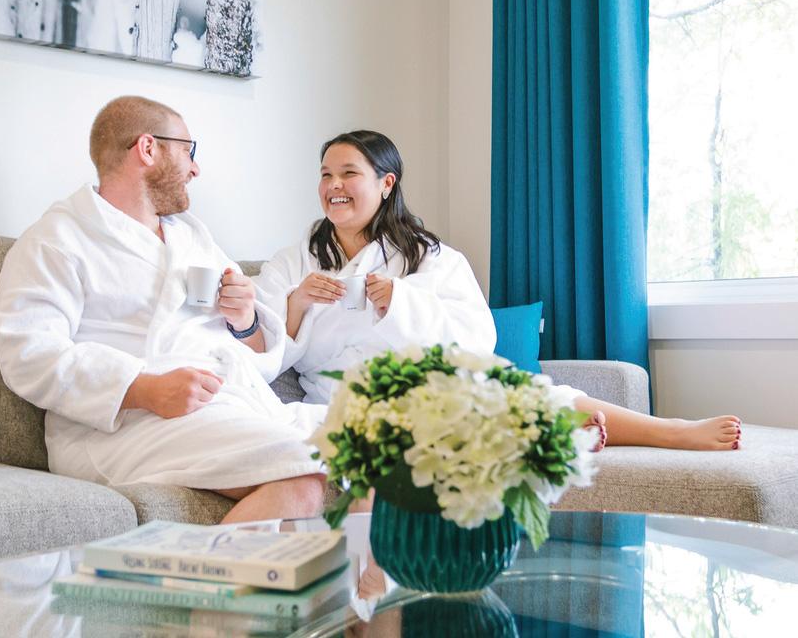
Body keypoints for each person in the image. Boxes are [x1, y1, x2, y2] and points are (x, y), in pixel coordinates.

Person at [254, 130, 742, 452]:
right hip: (343, 401)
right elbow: (257, 347)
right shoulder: (292, 263)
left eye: (348, 173)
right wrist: (297, 302)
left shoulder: (429, 255)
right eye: (326, 174)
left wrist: (400, 302)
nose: (333, 185)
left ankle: (671, 430)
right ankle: (548, 440)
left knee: (512, 392)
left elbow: (477, 334)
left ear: (386, 183)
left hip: (428, 386)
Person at [0, 96, 328, 524]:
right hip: (123, 426)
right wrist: (143, 388)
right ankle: (196, 572)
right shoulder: (58, 239)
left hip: (232, 404)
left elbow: (256, 350)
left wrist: (244, 321)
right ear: (148, 148)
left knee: (387, 450)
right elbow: (28, 354)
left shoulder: (191, 237)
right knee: (302, 474)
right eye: (189, 151)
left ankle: (362, 576)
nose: (195, 168)